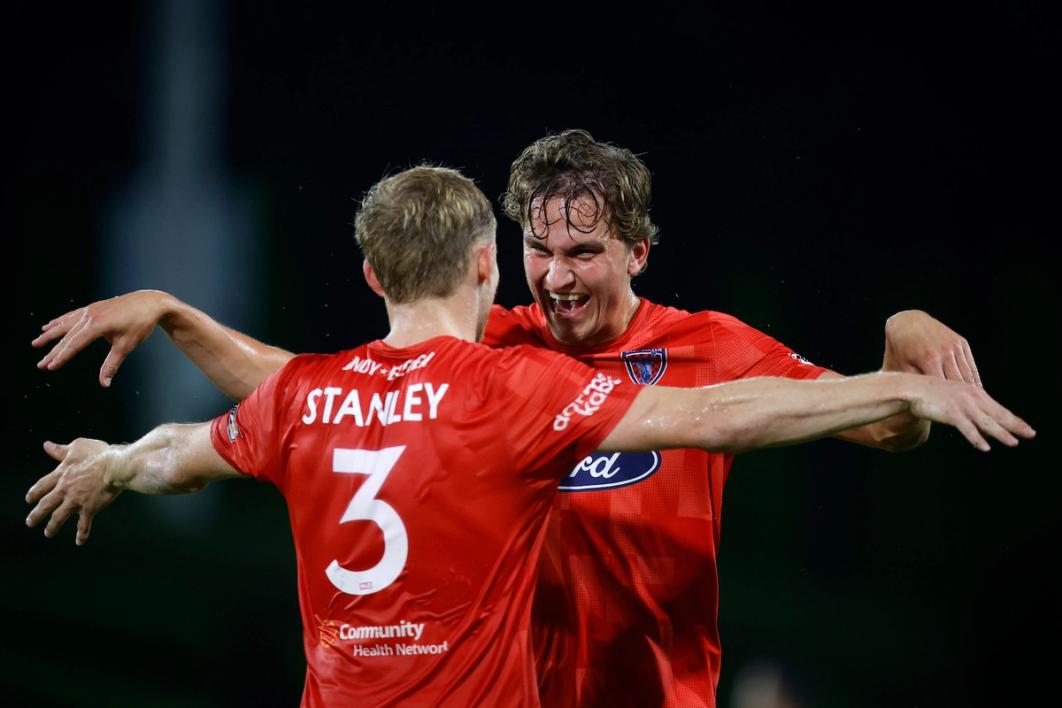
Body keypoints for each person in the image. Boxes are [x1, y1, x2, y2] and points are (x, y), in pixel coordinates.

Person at [31, 132, 999, 707]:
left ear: (639, 253)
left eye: (583, 251)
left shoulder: (714, 344)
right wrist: (178, 317)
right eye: (539, 248)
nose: (558, 275)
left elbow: (866, 430)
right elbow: (320, 388)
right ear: (504, 254)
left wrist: (897, 345)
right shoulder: (500, 357)